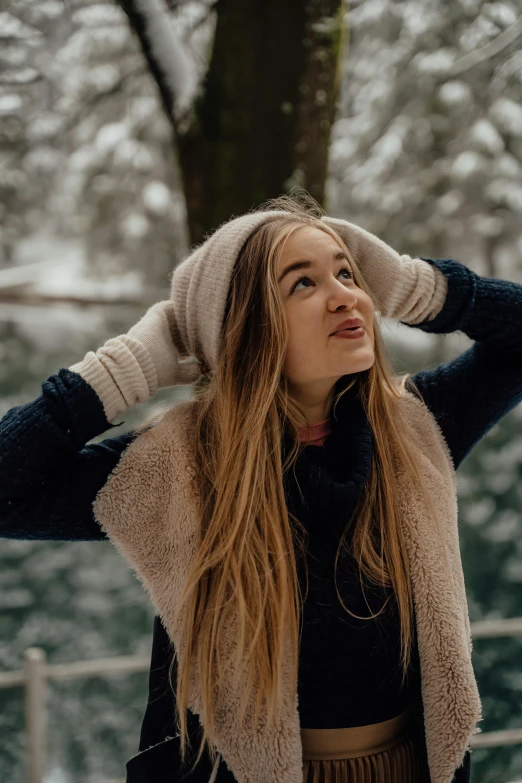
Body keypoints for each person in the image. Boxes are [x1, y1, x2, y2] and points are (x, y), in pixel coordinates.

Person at [2, 191, 522, 783]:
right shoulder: (179, 467)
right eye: (302, 284)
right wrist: (127, 367)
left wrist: (415, 285)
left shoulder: (414, 427)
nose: (346, 296)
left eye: (347, 273)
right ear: (243, 326)